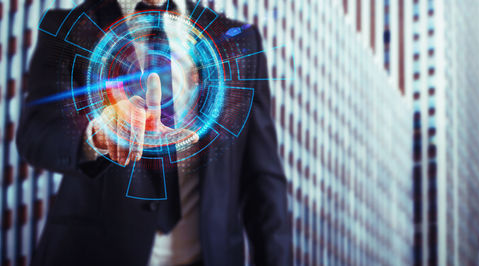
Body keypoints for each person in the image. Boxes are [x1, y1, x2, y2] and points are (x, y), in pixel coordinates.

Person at [16, 0, 291, 265]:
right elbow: (38, 134)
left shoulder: (239, 43)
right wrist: (98, 136)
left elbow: (262, 176)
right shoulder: (67, 28)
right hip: (94, 253)